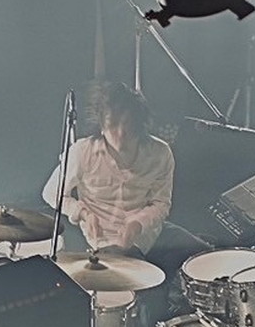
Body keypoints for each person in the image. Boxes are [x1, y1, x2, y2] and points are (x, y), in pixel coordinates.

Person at [42, 80, 175, 257]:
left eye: (127, 124)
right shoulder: (82, 152)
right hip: (97, 241)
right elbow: (51, 193)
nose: (120, 133)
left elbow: (161, 203)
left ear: (139, 124)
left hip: (143, 237)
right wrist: (83, 213)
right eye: (113, 125)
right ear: (101, 127)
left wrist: (137, 223)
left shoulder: (160, 153)